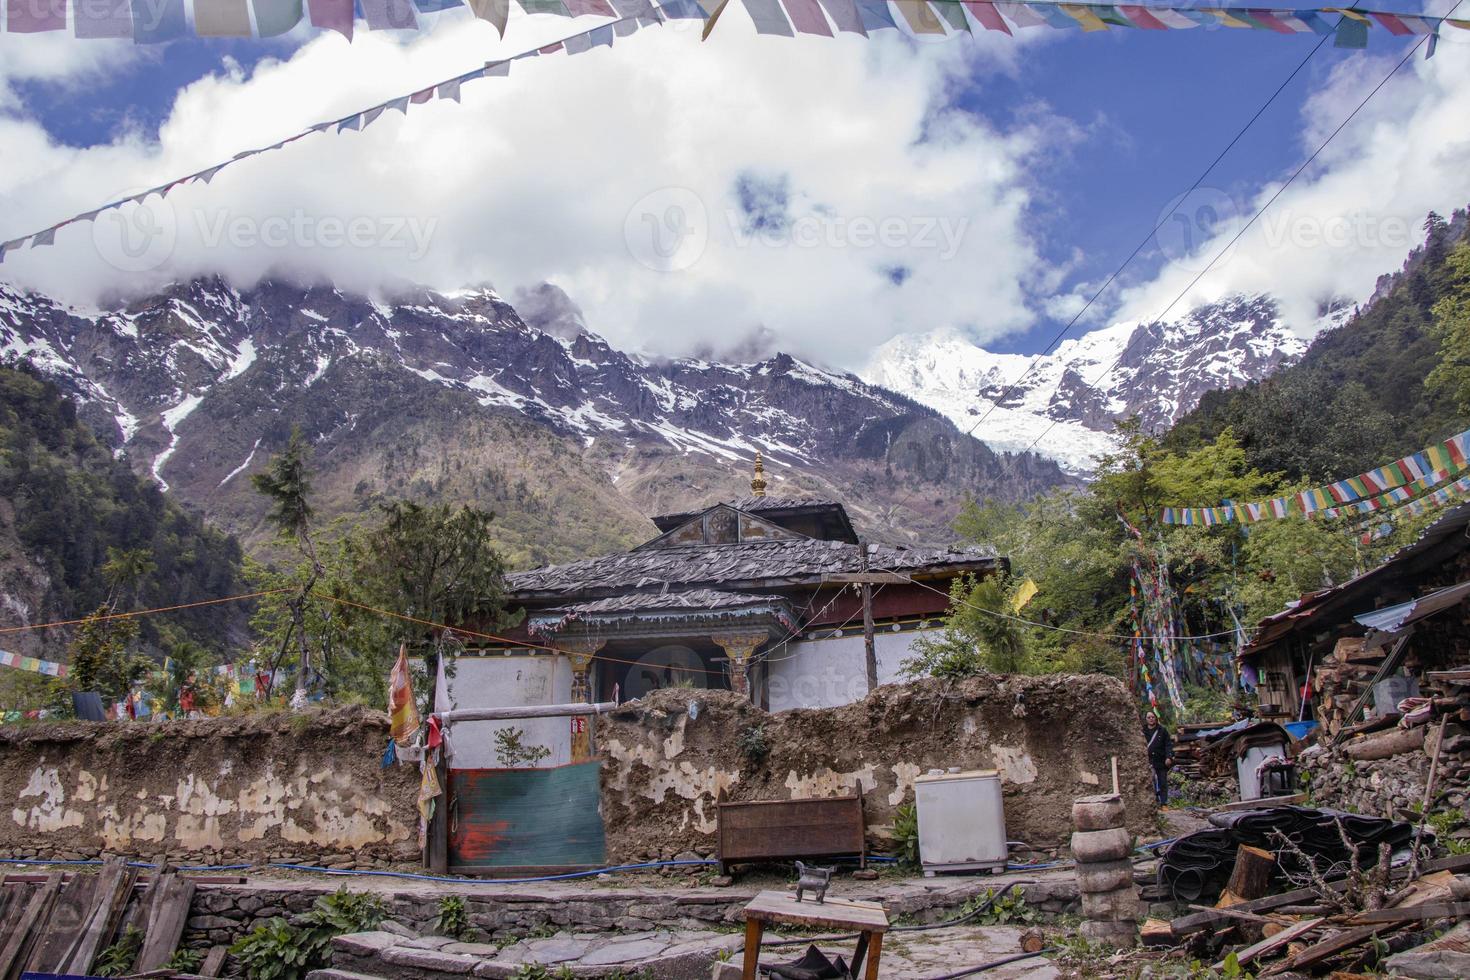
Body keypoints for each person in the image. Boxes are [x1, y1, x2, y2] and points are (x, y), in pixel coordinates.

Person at [1144, 711, 1174, 806]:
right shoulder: (1142, 731)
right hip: (1149, 761)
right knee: (1151, 780)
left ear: (1155, 718)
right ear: (1146, 719)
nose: (1151, 719)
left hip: (1161, 760)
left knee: (1163, 782)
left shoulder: (1162, 730)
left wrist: (1169, 757)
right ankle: (1155, 801)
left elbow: (1168, 744)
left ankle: (1164, 802)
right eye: (1149, 717)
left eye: (1152, 717)